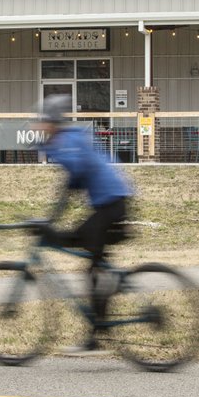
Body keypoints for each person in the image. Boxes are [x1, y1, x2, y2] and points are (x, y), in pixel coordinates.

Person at [33, 94, 133, 355]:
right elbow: (76, 179)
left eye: (42, 122)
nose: (38, 127)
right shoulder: (68, 140)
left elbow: (76, 175)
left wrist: (51, 219)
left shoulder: (67, 141)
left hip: (111, 204)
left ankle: (97, 336)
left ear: (51, 123)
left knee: (91, 265)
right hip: (110, 203)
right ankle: (99, 329)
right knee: (89, 259)